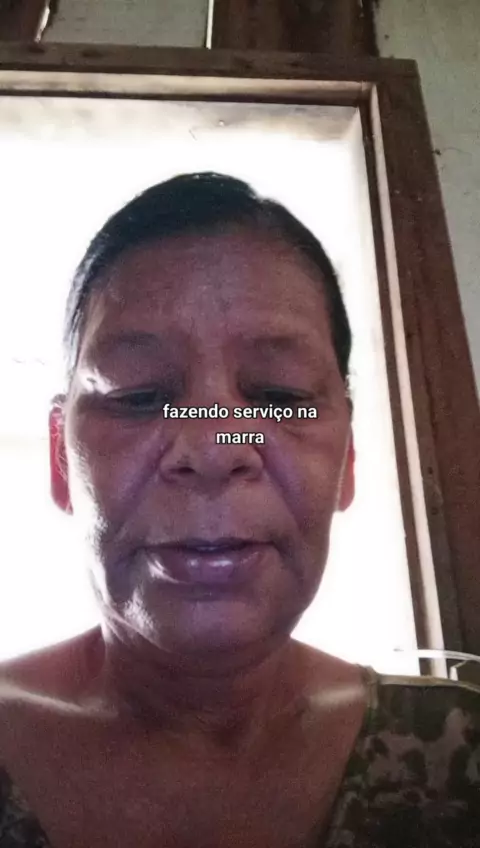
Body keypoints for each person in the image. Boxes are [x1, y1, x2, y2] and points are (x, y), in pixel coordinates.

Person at [0, 172, 479, 848]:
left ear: (346, 457)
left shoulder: (460, 756)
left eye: (281, 398)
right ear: (60, 459)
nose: (211, 449)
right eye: (139, 397)